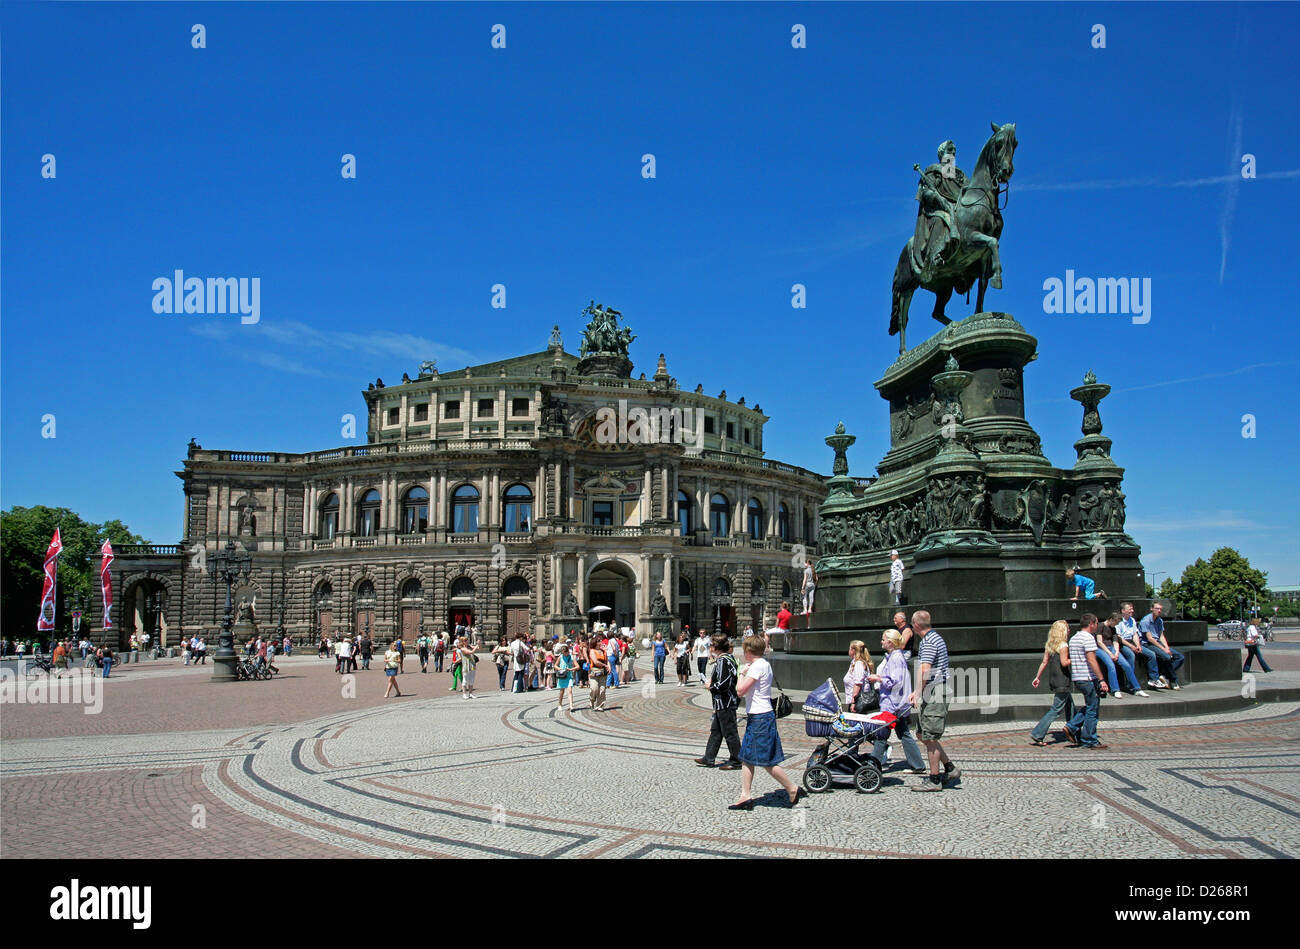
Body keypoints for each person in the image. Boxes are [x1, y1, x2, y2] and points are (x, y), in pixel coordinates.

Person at [730, 634, 803, 810]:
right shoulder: (763, 665)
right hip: (758, 716)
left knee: (766, 761)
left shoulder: (757, 667)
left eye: (745, 649)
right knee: (747, 757)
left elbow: (740, 691)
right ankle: (745, 795)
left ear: (749, 651)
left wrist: (741, 673)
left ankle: (792, 788)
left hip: (760, 717)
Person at [909, 610, 962, 790]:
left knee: (930, 737)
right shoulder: (934, 638)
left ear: (916, 625)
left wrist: (917, 692)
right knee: (921, 733)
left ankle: (934, 779)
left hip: (936, 691)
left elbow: (925, 670)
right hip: (933, 690)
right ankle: (949, 768)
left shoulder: (929, 641)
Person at [868, 629, 927, 771]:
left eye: (883, 639)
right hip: (897, 704)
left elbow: (895, 681)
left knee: (882, 735)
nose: (881, 642)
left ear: (890, 642)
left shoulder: (895, 658)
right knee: (903, 733)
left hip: (893, 704)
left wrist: (878, 678)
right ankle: (918, 765)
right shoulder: (895, 657)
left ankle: (872, 765)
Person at [695, 634, 742, 770]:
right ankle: (709, 757)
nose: (709, 647)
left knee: (730, 731)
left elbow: (723, 684)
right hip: (722, 702)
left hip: (725, 702)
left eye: (711, 645)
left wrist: (710, 686)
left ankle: (737, 760)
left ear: (716, 647)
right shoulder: (727, 658)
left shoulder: (723, 661)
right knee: (716, 730)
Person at [1063, 614, 1110, 748]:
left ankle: (1072, 727)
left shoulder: (1073, 639)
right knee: (1092, 709)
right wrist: (1101, 679)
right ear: (1091, 624)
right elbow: (1092, 660)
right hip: (1088, 677)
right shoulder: (1088, 638)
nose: (1097, 626)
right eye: (1096, 623)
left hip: (1077, 677)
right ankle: (1089, 739)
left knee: (1091, 705)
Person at [1029, 620, 1075, 745]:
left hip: (1054, 680)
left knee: (1070, 706)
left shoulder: (1050, 645)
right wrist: (1077, 658)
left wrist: (1037, 677)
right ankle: (1038, 733)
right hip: (1062, 680)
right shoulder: (1064, 645)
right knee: (1056, 710)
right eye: (1067, 628)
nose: (1069, 630)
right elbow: (1065, 662)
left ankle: (1074, 731)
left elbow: (1044, 662)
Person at [1095, 614, 1148, 698]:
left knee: (1126, 665)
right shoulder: (1100, 626)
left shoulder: (1113, 628)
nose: (1116, 625)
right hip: (1101, 649)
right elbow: (1099, 642)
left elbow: (1115, 642)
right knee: (1111, 665)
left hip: (1112, 648)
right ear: (1111, 619)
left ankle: (1137, 688)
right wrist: (1110, 654)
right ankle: (1115, 689)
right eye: (1115, 622)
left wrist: (1116, 652)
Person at [1116, 602, 1161, 689]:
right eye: (1130, 609)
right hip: (1123, 643)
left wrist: (1138, 645)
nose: (1132, 611)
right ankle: (1130, 683)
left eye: (1132, 609)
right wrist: (1132, 647)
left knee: (1151, 654)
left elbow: (1135, 634)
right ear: (1123, 611)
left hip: (1132, 641)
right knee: (1131, 655)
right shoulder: (1119, 621)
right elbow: (1119, 638)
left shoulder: (1132, 620)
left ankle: (1154, 679)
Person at [1141, 602, 1183, 690]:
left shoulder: (1159, 620)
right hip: (1148, 644)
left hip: (1158, 643)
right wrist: (1163, 649)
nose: (1159, 611)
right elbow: (1150, 638)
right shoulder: (1146, 620)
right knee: (1167, 657)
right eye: (1157, 608)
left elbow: (1161, 636)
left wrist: (1166, 647)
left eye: (1160, 609)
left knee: (1180, 657)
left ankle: (1164, 675)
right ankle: (1173, 680)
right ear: (1151, 609)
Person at [843, 640, 874, 710]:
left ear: (853, 650)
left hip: (858, 702)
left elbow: (858, 683)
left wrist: (853, 702)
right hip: (857, 701)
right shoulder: (855, 662)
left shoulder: (858, 664)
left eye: (849, 648)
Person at [587, 636, 608, 711]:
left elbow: (606, 661)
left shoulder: (603, 651)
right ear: (595, 642)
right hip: (594, 671)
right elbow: (595, 661)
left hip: (603, 672)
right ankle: (591, 700)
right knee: (594, 688)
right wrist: (605, 665)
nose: (601, 642)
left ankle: (599, 705)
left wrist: (608, 666)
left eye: (601, 640)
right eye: (599, 641)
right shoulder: (592, 651)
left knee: (602, 689)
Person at [554, 642, 577, 712]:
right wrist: (559, 669)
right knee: (562, 691)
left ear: (567, 651)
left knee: (569, 691)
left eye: (565, 653)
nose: (564, 654)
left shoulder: (571, 657)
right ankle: (560, 704)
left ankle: (571, 706)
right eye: (563, 653)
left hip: (569, 676)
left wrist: (571, 669)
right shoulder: (560, 657)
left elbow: (577, 666)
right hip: (562, 676)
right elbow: (555, 665)